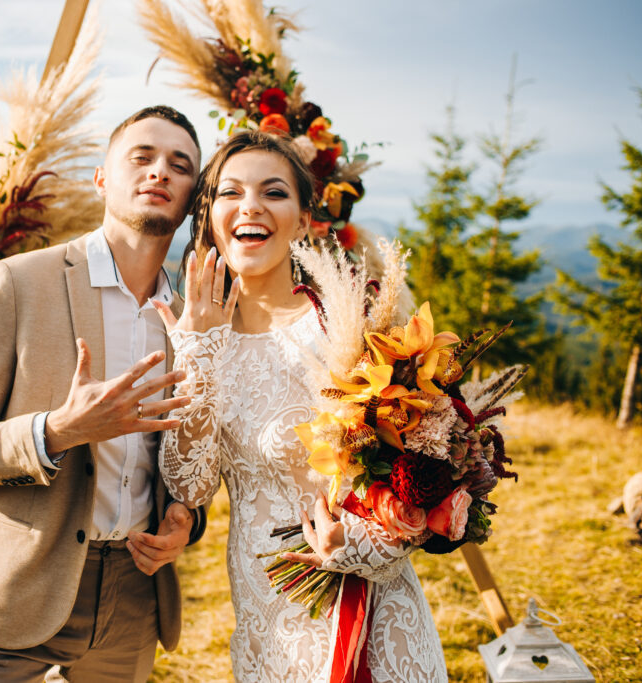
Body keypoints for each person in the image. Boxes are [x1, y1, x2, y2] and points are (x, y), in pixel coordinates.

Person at [0, 105, 206, 682]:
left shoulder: (192, 320)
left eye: (179, 165)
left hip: (132, 603)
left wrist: (186, 521)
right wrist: (58, 432)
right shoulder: (19, 284)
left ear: (194, 197)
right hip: (15, 592)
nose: (159, 172)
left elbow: (188, 457)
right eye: (141, 157)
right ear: (102, 177)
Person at [153, 130, 448, 682]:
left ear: (307, 216)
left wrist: (358, 545)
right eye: (230, 193)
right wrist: (199, 350)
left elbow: (424, 473)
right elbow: (189, 485)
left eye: (274, 192)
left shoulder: (351, 326)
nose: (251, 207)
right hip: (264, 616)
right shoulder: (193, 328)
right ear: (210, 214)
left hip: (365, 614)